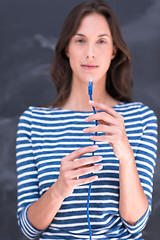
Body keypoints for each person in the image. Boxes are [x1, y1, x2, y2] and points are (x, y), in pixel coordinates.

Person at [16, 1, 158, 239]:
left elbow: (137, 224)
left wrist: (125, 153)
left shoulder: (140, 118)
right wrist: (60, 188)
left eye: (101, 41)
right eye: (80, 40)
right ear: (66, 49)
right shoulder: (34, 121)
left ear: (114, 50)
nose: (90, 52)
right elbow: (29, 230)